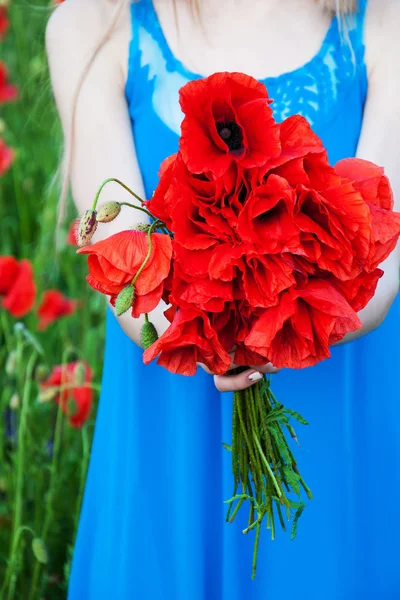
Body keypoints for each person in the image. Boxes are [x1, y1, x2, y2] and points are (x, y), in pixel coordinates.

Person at [46, 0, 400, 598]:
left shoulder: (382, 21)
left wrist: (270, 329)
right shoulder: (93, 24)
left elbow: (380, 266)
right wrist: (219, 337)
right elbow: (131, 273)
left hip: (339, 437)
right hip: (170, 447)